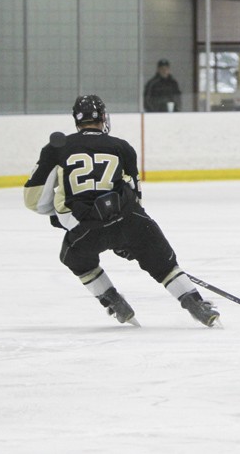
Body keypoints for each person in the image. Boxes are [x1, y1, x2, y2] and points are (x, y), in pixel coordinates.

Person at [23, 95, 220, 327]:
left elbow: (34, 200)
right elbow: (135, 197)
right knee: (163, 263)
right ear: (103, 118)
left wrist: (60, 218)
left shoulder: (56, 148)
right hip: (129, 219)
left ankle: (113, 300)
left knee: (74, 257)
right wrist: (127, 238)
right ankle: (196, 304)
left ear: (76, 120)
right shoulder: (122, 147)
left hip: (85, 227)